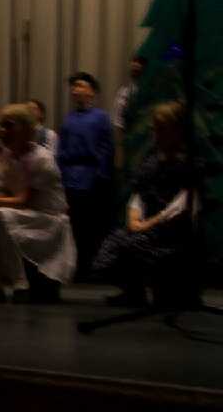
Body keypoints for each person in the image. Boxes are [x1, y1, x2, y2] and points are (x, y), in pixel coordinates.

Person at [0, 104, 76, 303]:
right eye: (2, 125)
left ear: (26, 129)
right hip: (23, 214)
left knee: (0, 215)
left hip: (47, 218)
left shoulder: (41, 158)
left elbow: (24, 200)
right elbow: (4, 192)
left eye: (9, 125)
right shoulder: (5, 157)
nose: (2, 131)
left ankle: (20, 284)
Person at [93, 101, 193, 307]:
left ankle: (166, 290)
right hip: (146, 226)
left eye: (162, 129)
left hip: (172, 229)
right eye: (155, 129)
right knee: (113, 246)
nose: (156, 134)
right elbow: (139, 191)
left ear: (176, 131)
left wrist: (150, 223)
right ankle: (133, 291)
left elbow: (182, 203)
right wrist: (134, 217)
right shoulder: (152, 158)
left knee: (135, 245)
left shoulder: (188, 162)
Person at [57, 72, 114, 281]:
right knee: (73, 226)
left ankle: (92, 268)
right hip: (70, 179)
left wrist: (101, 176)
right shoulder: (69, 119)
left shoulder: (101, 117)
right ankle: (75, 268)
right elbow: (61, 149)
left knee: (91, 226)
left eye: (80, 85)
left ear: (91, 91)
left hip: (91, 179)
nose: (75, 90)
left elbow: (106, 149)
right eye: (74, 86)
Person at [112, 57, 147, 168]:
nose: (135, 65)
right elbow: (118, 123)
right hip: (127, 143)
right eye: (134, 62)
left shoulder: (150, 93)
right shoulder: (123, 92)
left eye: (139, 63)